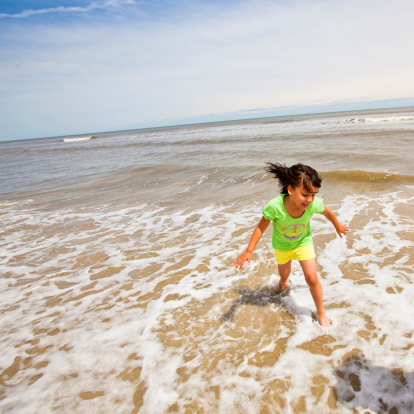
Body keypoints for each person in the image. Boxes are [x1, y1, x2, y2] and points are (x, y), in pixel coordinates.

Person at [234, 163, 349, 327]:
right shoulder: (275, 206)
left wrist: (337, 226)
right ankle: (283, 283)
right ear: (290, 190)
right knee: (284, 275)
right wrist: (248, 250)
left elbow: (327, 212)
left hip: (303, 242)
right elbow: (261, 227)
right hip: (282, 247)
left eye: (313, 195)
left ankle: (321, 313)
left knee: (311, 278)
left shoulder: (312, 204)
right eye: (305, 194)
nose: (309, 200)